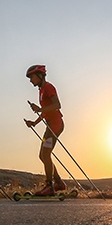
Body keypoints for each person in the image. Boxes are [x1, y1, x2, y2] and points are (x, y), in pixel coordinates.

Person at [24, 65, 66, 196]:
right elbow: (45, 112)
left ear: (40, 76)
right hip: (50, 125)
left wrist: (40, 109)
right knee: (42, 155)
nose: (30, 80)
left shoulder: (48, 87)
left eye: (32, 77)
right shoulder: (41, 90)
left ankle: (50, 186)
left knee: (46, 154)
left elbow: (57, 105)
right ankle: (58, 183)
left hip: (56, 124)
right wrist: (34, 123)